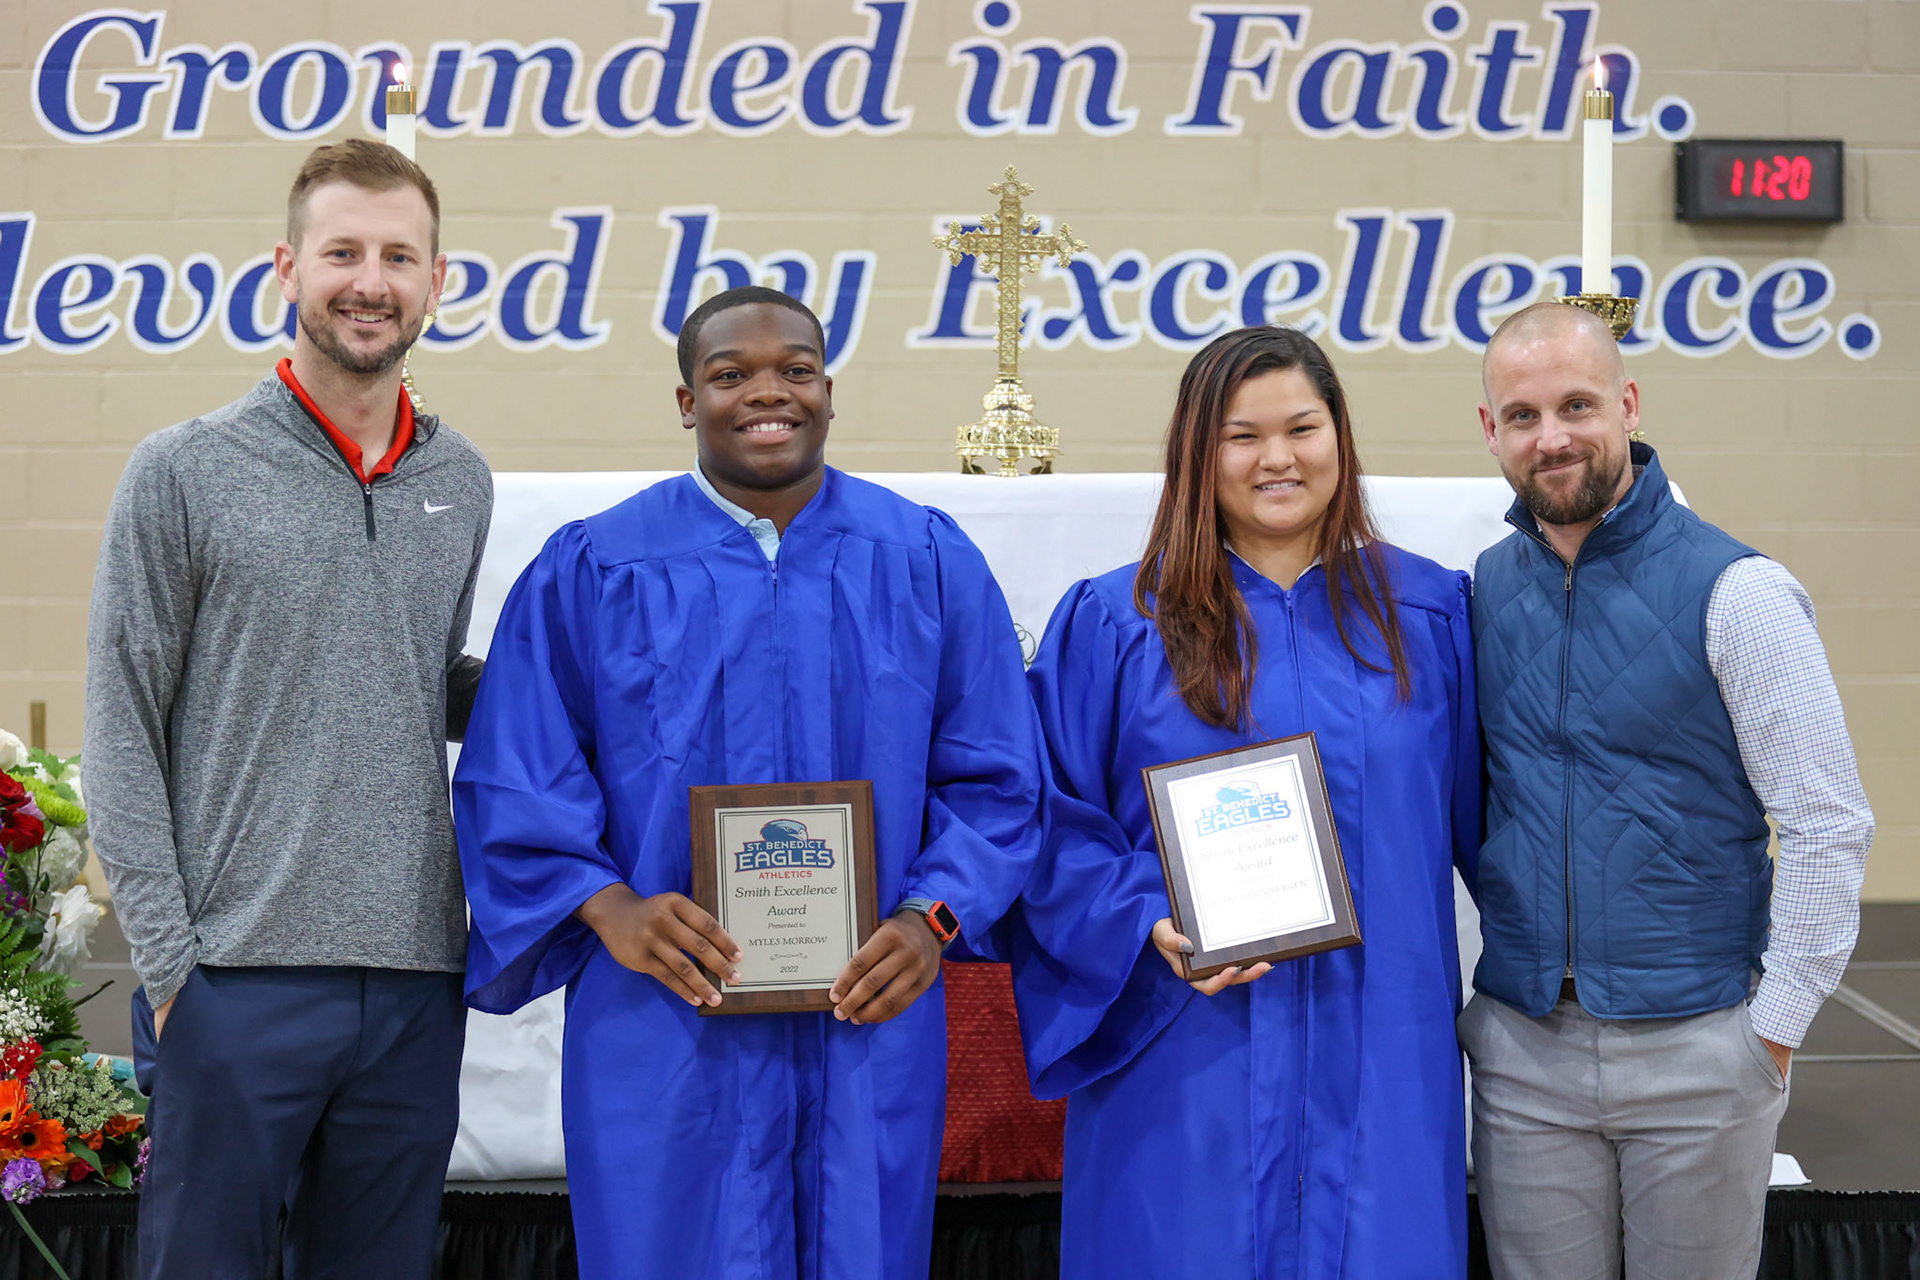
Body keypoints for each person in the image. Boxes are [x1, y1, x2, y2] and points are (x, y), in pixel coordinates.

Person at [452, 286, 1044, 1280]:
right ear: (688, 400)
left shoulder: (926, 559)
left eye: (796, 370)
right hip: (666, 1007)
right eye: (731, 374)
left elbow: (999, 778)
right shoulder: (595, 568)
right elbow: (518, 771)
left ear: (827, 389)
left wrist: (928, 920)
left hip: (867, 1003)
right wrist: (609, 908)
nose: (768, 393)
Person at [85, 139, 491, 1278]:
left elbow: (420, 675)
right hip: (234, 974)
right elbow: (121, 722)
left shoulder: (461, 478)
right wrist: (173, 970)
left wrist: (578, 688)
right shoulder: (184, 468)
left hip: (413, 978)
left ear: (437, 281)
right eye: (344, 251)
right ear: (287, 266)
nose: (371, 280)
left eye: (399, 255)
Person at [1004, 326, 1480, 1279]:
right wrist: (1145, 917)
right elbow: (1042, 821)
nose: (1277, 458)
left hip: (1381, 1049)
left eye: (1302, 427)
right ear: (1197, 452)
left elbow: (1491, 827)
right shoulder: (1117, 624)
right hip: (1188, 1053)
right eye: (1241, 435)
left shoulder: (1430, 616)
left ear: (1339, 438)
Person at [1463, 301, 1874, 1279]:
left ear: (1629, 404)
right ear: (1491, 431)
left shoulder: (1741, 592)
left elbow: (1827, 821)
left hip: (1701, 1049)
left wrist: (1773, 1030)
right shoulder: (1482, 589)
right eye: (1522, 415)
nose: (1551, 436)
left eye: (1576, 404)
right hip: (1526, 1056)